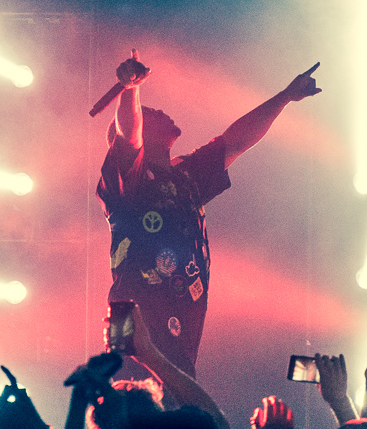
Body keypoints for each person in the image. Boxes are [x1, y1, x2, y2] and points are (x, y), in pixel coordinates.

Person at [97, 50, 321, 378]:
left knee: (179, 404)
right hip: (136, 325)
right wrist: (131, 90)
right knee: (134, 403)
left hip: (180, 332)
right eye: (151, 111)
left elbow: (235, 141)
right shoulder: (128, 177)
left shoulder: (185, 176)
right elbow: (127, 136)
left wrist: (285, 97)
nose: (160, 110)